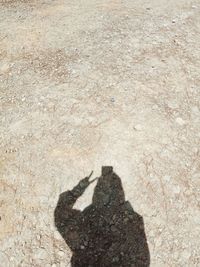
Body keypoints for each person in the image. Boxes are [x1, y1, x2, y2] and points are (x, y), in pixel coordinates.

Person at [54, 166, 150, 266]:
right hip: (115, 219)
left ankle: (108, 175)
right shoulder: (84, 247)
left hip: (110, 218)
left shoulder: (84, 247)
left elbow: (61, 216)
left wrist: (77, 190)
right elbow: (61, 216)